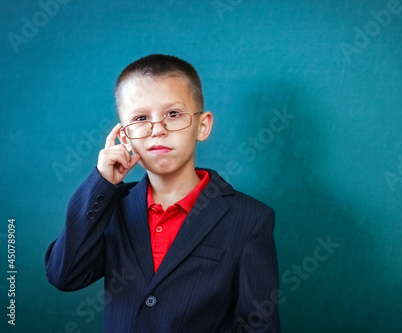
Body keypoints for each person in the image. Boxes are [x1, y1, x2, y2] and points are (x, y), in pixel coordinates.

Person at [45, 54, 280, 332]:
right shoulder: (112, 207)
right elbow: (64, 274)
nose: (158, 130)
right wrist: (101, 184)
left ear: (202, 126)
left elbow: (258, 324)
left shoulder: (249, 218)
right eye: (141, 118)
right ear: (125, 136)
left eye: (173, 114)